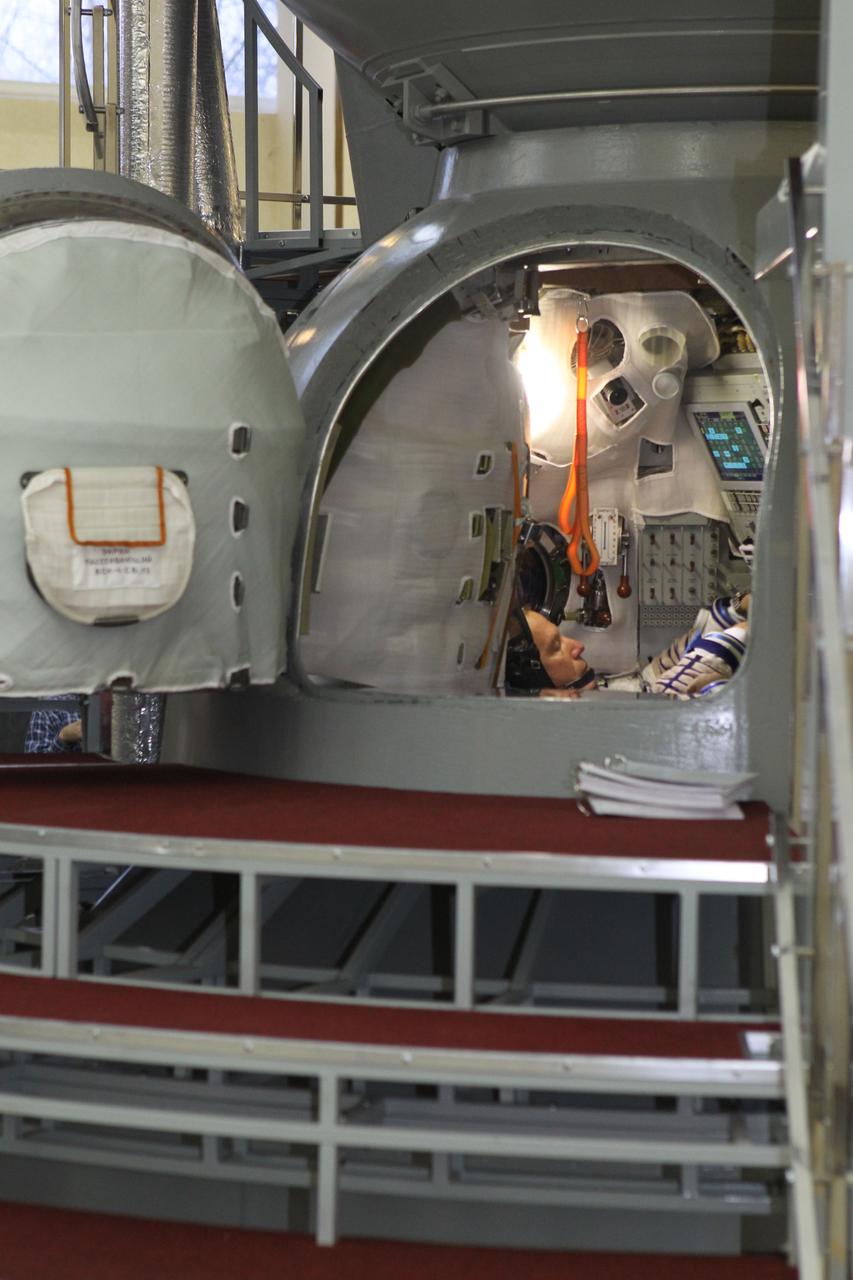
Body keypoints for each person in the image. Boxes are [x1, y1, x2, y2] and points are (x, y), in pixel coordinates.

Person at [505, 548, 750, 699]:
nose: (577, 645)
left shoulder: (634, 691)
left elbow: (702, 633)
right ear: (534, 680)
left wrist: (742, 604)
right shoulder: (657, 708)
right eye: (556, 647)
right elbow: (712, 656)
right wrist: (758, 616)